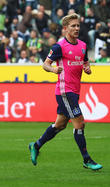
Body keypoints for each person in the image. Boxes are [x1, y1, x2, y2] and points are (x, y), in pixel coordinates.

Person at [28, 13, 102, 171]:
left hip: (75, 91)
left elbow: (85, 63)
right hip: (64, 91)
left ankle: (35, 145)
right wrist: (54, 69)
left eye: (77, 25)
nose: (76, 28)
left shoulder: (82, 45)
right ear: (65, 28)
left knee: (60, 125)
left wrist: (87, 68)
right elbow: (45, 65)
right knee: (80, 123)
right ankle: (87, 159)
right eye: (73, 26)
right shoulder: (59, 47)